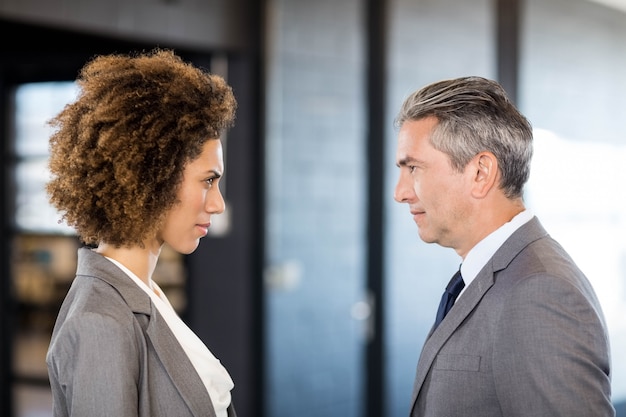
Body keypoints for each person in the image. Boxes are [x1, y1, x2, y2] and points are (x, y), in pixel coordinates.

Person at [393, 76, 615, 416]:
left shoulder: (540, 292)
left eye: (414, 168)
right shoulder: (490, 274)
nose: (401, 192)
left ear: (481, 173)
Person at [45, 48, 238, 417]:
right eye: (208, 181)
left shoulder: (142, 292)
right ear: (153, 178)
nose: (218, 204)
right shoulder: (101, 322)